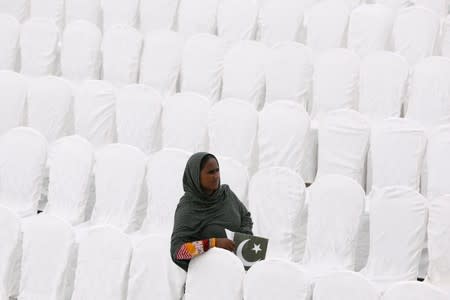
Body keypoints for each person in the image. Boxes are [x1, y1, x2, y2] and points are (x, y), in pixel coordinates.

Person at [170, 152, 253, 271]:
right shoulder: (187, 209)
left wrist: (243, 238)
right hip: (208, 274)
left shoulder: (226, 194)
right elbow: (179, 251)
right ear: (196, 176)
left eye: (217, 170)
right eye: (210, 172)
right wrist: (212, 243)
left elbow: (245, 217)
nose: (216, 176)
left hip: (238, 266)